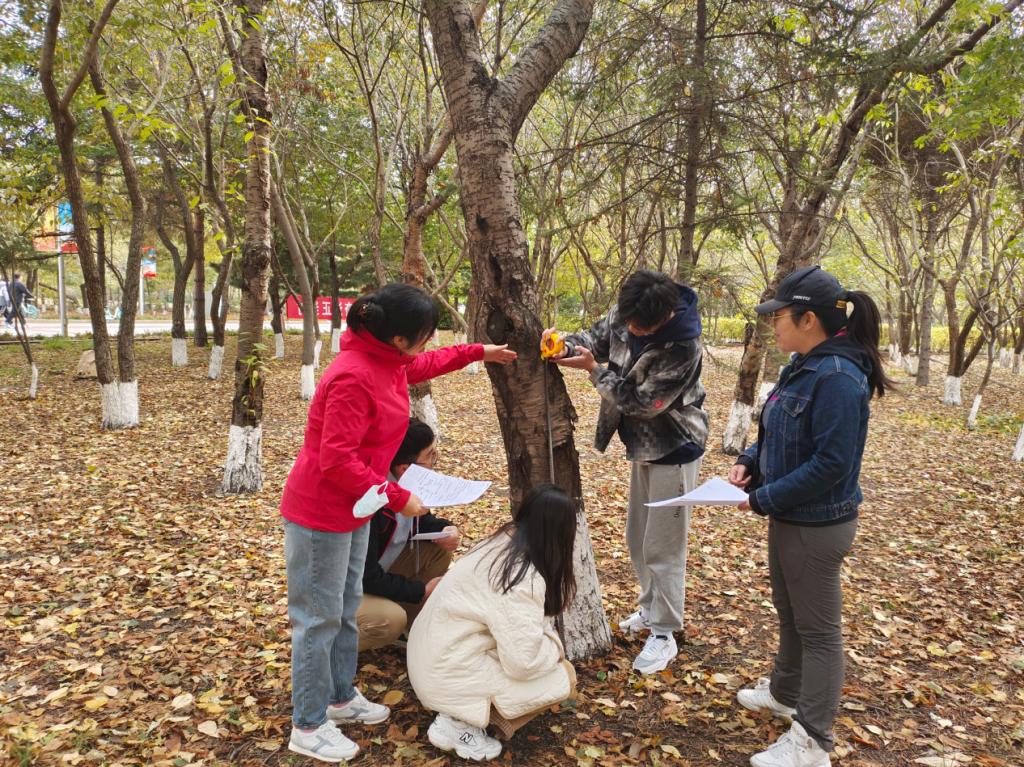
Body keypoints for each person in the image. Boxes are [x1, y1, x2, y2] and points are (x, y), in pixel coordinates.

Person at [279, 283, 517, 763]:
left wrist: (479, 352)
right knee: (318, 619)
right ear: (399, 338)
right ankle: (308, 724)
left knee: (344, 607)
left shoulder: (387, 361)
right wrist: (397, 495)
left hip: (358, 508)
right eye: (425, 333)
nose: (429, 342)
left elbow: (428, 364)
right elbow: (335, 459)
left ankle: (339, 697)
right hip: (322, 512)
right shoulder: (352, 376)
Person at [727, 265, 893, 767]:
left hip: (817, 525)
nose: (772, 325)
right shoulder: (802, 365)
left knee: (819, 632)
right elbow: (777, 429)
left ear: (808, 319)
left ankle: (813, 741)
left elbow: (832, 463)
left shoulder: (837, 377)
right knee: (790, 613)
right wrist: (750, 462)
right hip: (790, 515)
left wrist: (765, 498)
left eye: (778, 316)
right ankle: (785, 692)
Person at [541, 269, 708, 674]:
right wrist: (565, 345)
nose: (630, 329)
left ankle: (665, 632)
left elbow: (642, 403)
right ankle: (650, 610)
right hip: (644, 448)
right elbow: (594, 339)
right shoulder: (629, 311)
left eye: (640, 327)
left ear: (665, 315)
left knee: (663, 548)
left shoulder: (683, 346)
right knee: (638, 538)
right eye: (628, 321)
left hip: (675, 447)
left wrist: (594, 371)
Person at [407, 484, 578, 762]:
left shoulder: (498, 543)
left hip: (433, 656)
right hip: (444, 672)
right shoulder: (521, 578)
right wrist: (554, 647)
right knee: (565, 676)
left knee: (537, 663)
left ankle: (466, 716)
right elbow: (523, 663)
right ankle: (461, 724)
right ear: (562, 534)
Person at [357, 418, 460, 651]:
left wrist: (444, 529)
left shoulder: (407, 483)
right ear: (405, 468)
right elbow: (366, 576)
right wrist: (420, 591)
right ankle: (328, 650)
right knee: (389, 620)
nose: (433, 464)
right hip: (346, 588)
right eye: (430, 457)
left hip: (378, 571)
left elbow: (422, 521)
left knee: (437, 551)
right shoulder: (372, 498)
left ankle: (409, 628)